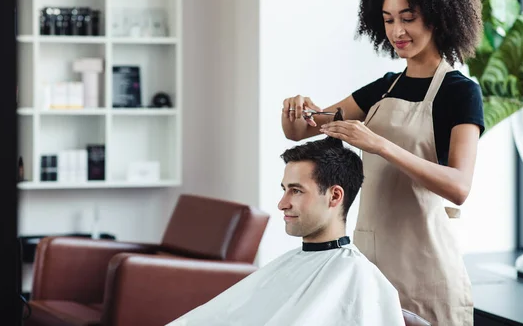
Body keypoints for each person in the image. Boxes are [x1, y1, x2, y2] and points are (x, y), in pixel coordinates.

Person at [281, 0, 484, 326]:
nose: (397, 31)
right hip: (371, 263)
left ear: (438, 18)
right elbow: (302, 130)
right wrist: (295, 109)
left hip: (427, 266)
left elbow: (459, 187)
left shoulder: (460, 92)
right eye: (388, 20)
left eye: (408, 18)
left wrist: (381, 145)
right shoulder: (383, 88)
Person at [168, 117, 406, 326]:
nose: (282, 204)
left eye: (296, 191)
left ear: (334, 196)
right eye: (284, 189)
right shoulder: (293, 264)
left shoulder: (357, 278)